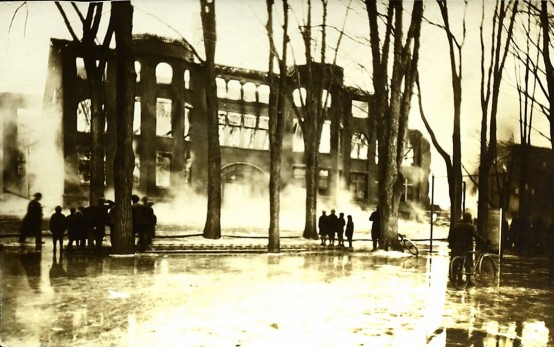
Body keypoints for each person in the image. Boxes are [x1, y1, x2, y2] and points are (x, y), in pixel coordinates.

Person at [448, 212, 484, 278]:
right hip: (466, 247)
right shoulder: (470, 226)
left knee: (456, 262)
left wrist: (451, 245)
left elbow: (451, 237)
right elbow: (476, 236)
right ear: (469, 219)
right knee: (468, 263)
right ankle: (468, 280)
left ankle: (454, 278)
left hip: (456, 247)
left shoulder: (456, 226)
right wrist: (483, 241)